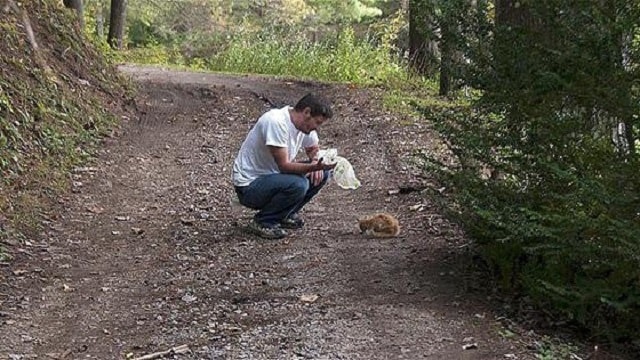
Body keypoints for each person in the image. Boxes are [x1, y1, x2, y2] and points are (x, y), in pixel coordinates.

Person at [232, 93, 337, 239]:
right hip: (250, 186)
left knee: (322, 175)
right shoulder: (276, 122)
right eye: (317, 123)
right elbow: (284, 166)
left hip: (274, 178)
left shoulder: (304, 127)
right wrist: (315, 167)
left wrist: (316, 160)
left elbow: (313, 149)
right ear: (306, 112)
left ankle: (285, 213)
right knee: (298, 184)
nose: (317, 128)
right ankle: (264, 221)